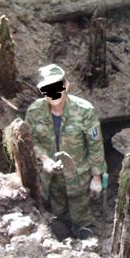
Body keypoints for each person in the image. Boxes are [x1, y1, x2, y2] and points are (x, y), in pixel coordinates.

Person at [25, 64, 107, 239]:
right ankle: (64, 238)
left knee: (80, 210)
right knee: (59, 212)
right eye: (47, 89)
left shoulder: (84, 110)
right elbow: (30, 141)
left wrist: (97, 178)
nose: (53, 93)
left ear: (66, 85)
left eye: (56, 86)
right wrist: (44, 159)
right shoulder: (35, 112)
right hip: (51, 176)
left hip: (78, 174)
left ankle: (84, 232)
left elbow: (95, 146)